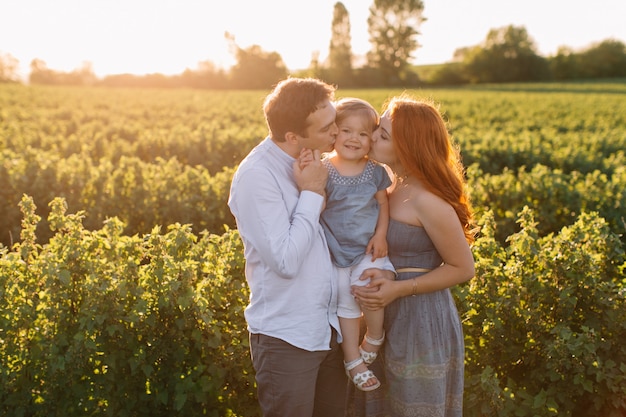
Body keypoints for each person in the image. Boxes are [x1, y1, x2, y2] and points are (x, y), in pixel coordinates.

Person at [348, 95, 476, 417]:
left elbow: (463, 268)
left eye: (384, 135)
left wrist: (399, 288)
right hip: (382, 313)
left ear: (408, 146)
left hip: (420, 319)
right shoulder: (388, 185)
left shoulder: (427, 200)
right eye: (378, 128)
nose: (373, 136)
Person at [228, 77, 347, 417]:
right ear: (293, 137)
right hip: (287, 337)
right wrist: (311, 193)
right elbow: (285, 260)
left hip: (328, 329)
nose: (336, 132)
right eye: (327, 128)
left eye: (335, 119)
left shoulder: (317, 159)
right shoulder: (257, 176)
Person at [318, 98, 395, 392]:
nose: (354, 139)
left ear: (371, 139)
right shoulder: (325, 170)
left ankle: (374, 335)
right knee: (344, 299)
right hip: (335, 251)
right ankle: (352, 358)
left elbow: (383, 204)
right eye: (346, 131)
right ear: (333, 133)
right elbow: (318, 206)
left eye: (363, 134)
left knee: (368, 287)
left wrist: (381, 235)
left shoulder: (374, 171)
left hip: (368, 248)